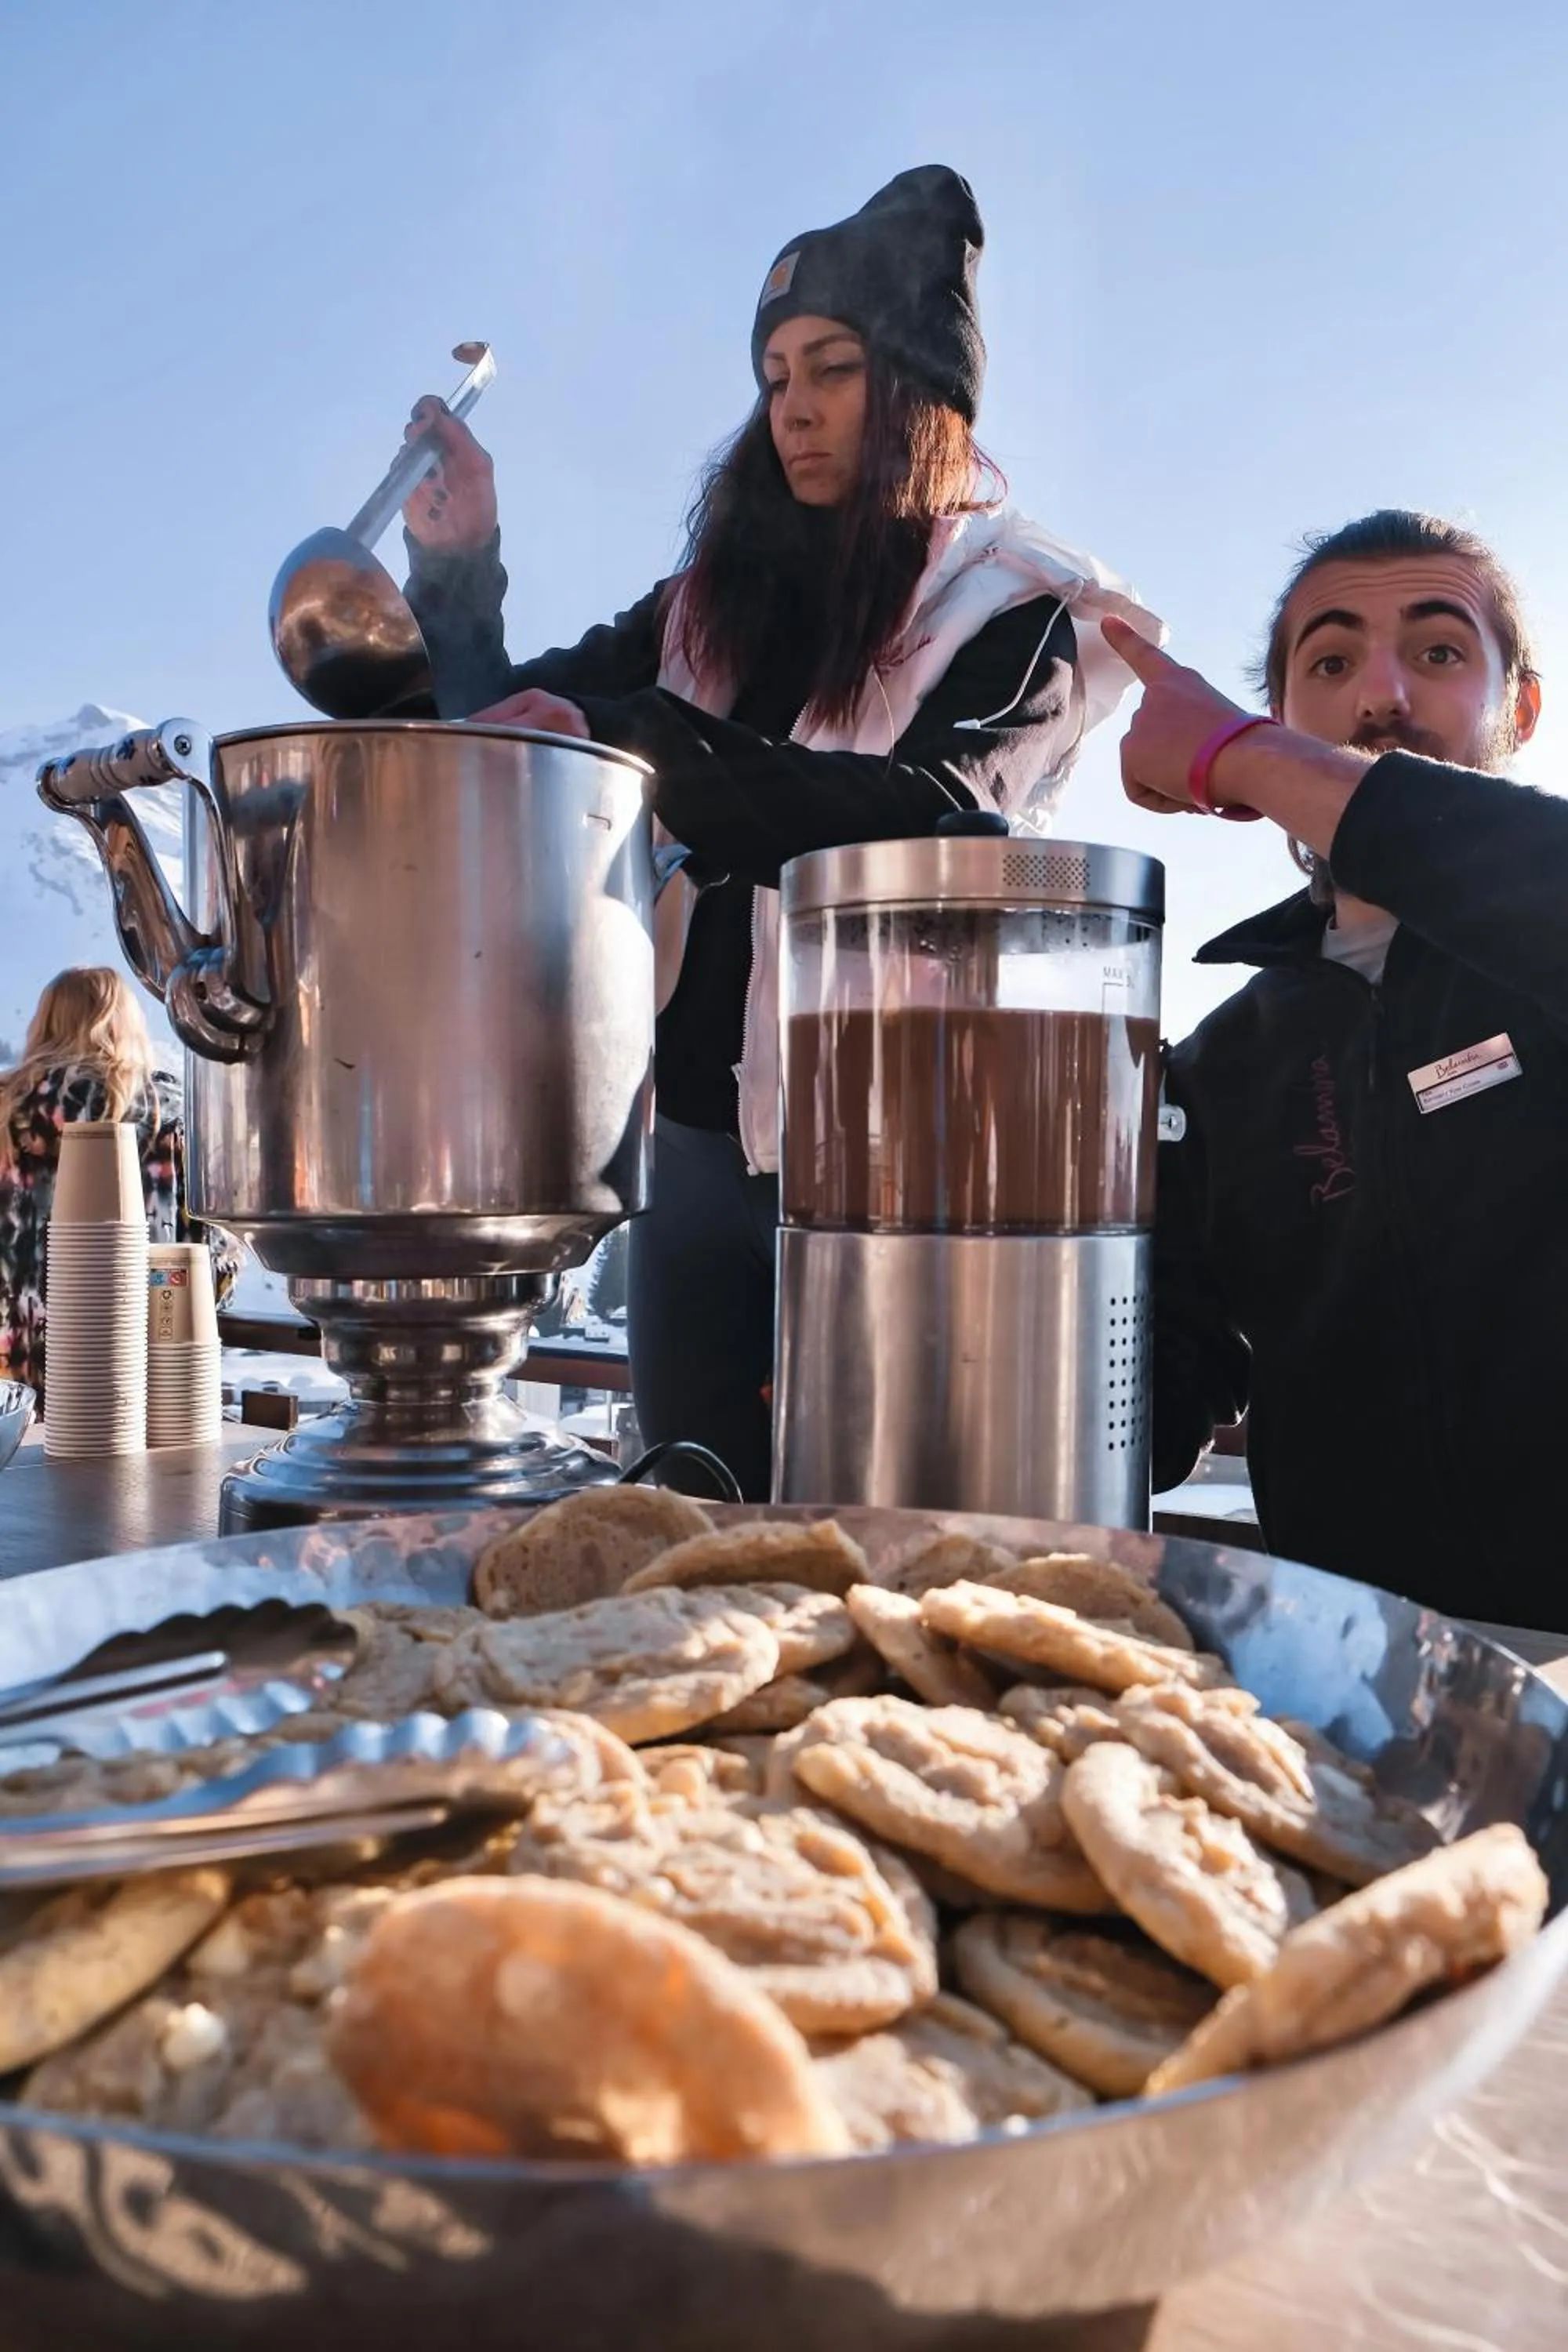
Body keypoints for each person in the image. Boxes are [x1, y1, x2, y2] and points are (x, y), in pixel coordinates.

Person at [401, 165, 1156, 1499]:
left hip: (896, 1152)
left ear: (923, 387)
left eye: (834, 369)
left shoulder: (1019, 605)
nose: (792, 408)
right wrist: (460, 563)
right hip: (689, 1145)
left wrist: (636, 740)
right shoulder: (706, 607)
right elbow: (506, 728)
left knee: (880, 1528)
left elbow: (942, 811)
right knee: (685, 1513)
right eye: (772, 376)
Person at [1105, 510, 1566, 1632]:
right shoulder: (1219, 1063)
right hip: (1349, 1670)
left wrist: (1240, 757)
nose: (1381, 695)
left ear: (1519, 710)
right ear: (1282, 710)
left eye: (1438, 650)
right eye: (1329, 663)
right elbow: (1152, 1407)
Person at [0, 967, 241, 1402]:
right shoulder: (169, 1113)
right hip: (141, 1366)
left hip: (19, 1371)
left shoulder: (8, 1111)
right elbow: (214, 1260)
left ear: (46, 1023)